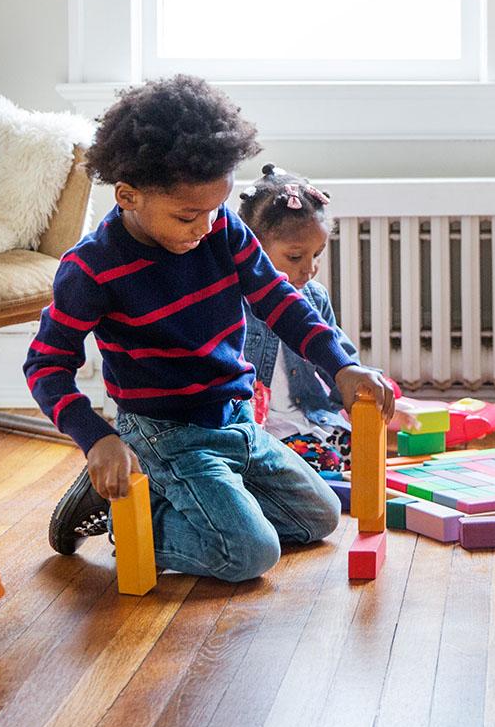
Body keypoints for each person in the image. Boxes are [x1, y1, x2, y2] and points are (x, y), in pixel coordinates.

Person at [24, 75, 394, 582]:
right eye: (186, 216)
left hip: (238, 420)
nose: (204, 227)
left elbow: (281, 302)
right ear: (128, 196)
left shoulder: (222, 229)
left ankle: (175, 497)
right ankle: (126, 515)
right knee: (250, 555)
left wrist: (342, 366)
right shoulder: (91, 269)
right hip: (167, 433)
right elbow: (46, 364)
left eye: (214, 209)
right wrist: (97, 439)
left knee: (321, 516)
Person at [238, 164, 416, 473]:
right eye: (295, 257)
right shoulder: (232, 303)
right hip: (260, 430)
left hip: (310, 420)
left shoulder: (314, 296)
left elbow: (340, 361)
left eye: (317, 254)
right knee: (319, 462)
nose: (309, 270)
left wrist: (374, 401)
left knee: (363, 452)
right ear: (252, 249)